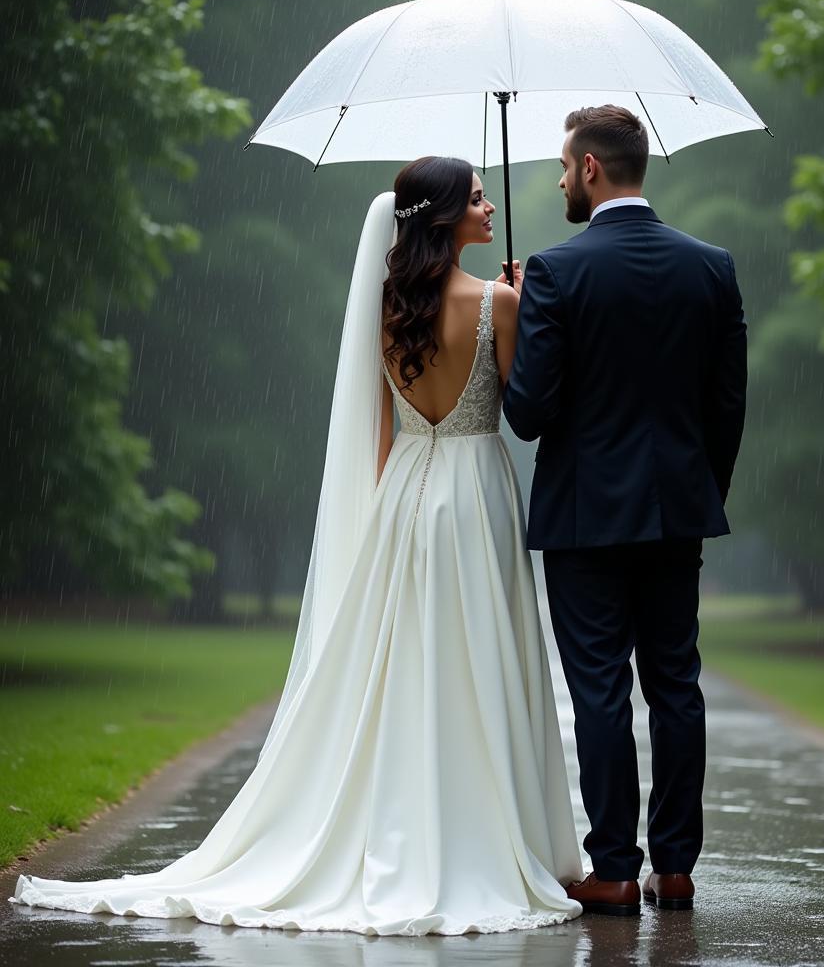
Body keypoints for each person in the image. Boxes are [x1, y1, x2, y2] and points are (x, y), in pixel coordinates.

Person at [10, 156, 584, 935]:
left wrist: (388, 510)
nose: (488, 208)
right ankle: (491, 824)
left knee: (403, 663)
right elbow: (523, 409)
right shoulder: (500, 303)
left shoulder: (386, 310)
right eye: (478, 199)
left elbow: (381, 432)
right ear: (446, 218)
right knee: (484, 654)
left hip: (404, 496)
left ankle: (401, 812)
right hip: (477, 493)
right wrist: (524, 304)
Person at [503, 105, 747, 916]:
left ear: (591, 170)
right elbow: (727, 405)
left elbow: (529, 413)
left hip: (584, 519)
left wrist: (522, 320)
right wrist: (696, 487)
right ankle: (675, 867)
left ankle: (613, 868)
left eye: (564, 167)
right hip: (678, 511)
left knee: (601, 691)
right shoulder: (711, 266)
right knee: (677, 686)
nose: (560, 180)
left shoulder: (555, 273)